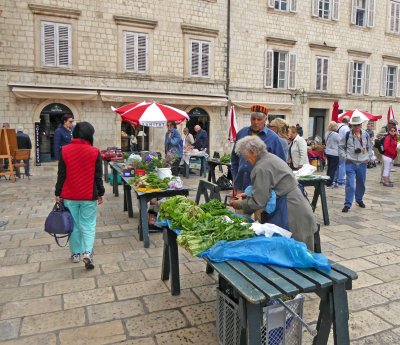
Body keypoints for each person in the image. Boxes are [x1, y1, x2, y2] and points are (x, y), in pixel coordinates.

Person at [230, 135, 317, 250]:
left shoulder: (261, 167)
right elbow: (270, 187)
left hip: (291, 211)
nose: (245, 160)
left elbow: (258, 202)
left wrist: (239, 204)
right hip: (296, 204)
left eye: (245, 156)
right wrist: (247, 195)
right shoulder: (270, 158)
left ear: (252, 152)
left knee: (296, 251)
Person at [55, 122, 105, 269]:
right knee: (89, 225)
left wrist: (58, 193)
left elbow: (61, 175)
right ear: (89, 135)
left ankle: (76, 254)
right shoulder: (95, 152)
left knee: (74, 225)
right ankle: (88, 253)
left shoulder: (64, 150)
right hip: (89, 195)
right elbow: (98, 176)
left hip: (69, 195)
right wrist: (100, 192)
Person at [231, 105, 286, 193]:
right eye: (253, 119)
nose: (256, 122)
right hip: (240, 185)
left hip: (261, 188)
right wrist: (235, 176)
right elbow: (234, 157)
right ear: (250, 118)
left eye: (259, 119)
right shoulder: (241, 133)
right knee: (239, 206)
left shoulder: (273, 138)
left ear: (265, 119)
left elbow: (281, 164)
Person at [338, 115, 373, 213]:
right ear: (351, 125)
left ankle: (359, 199)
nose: (356, 127)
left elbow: (370, 147)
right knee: (350, 184)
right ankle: (347, 204)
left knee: (361, 183)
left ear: (361, 125)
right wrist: (345, 157)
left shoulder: (365, 135)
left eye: (358, 125)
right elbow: (340, 147)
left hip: (362, 163)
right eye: (354, 125)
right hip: (350, 162)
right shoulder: (347, 135)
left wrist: (368, 157)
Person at [324, 121, 340, 188]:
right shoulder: (336, 135)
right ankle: (330, 182)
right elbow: (340, 142)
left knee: (329, 167)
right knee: (333, 168)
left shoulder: (326, 133)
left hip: (328, 152)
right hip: (335, 153)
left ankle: (327, 180)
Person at [337, 116, 350, 187]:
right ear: (348, 122)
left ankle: (337, 179)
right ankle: (341, 180)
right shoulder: (346, 128)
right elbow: (347, 138)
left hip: (337, 147)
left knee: (339, 164)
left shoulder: (338, 126)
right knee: (343, 164)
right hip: (343, 147)